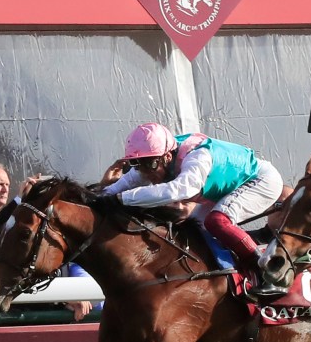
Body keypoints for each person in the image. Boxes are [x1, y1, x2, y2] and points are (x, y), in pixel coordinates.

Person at [97, 123, 285, 289]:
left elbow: (182, 189)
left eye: (150, 164)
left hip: (261, 180)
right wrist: (95, 198)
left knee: (217, 221)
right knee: (194, 233)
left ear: (167, 156)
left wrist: (123, 199)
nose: (146, 173)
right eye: (138, 165)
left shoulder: (197, 155)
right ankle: (228, 278)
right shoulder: (154, 160)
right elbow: (114, 191)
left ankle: (266, 273)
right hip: (225, 189)